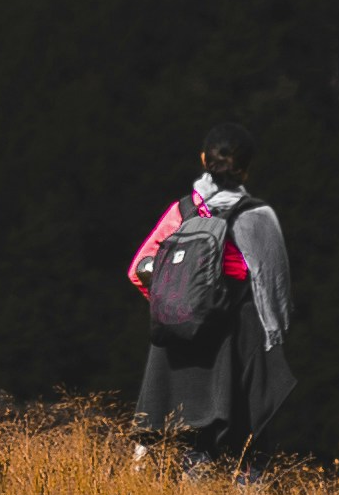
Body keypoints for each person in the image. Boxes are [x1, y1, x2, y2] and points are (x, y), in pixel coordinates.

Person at [126, 136, 294, 476]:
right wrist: (274, 341)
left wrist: (179, 306)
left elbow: (138, 271)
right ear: (246, 168)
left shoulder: (183, 211)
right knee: (249, 445)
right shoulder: (258, 216)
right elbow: (275, 288)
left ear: (203, 159)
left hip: (181, 341)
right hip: (239, 334)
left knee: (195, 446)